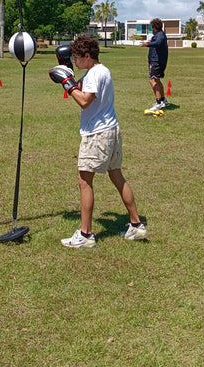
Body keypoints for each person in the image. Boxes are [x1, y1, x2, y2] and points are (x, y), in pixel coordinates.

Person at [49, 35, 148, 249]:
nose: (74, 61)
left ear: (87, 56)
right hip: (112, 130)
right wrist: (70, 75)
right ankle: (136, 224)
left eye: (77, 58)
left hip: (97, 134)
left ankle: (86, 235)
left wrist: (67, 84)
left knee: (85, 181)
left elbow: (84, 101)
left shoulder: (93, 74)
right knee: (117, 175)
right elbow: (82, 87)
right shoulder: (102, 70)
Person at [141, 18, 169, 111]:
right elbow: (156, 42)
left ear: (154, 27)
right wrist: (150, 42)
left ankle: (158, 102)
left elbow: (158, 43)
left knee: (152, 80)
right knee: (157, 80)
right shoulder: (158, 35)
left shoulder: (160, 35)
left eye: (151, 27)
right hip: (158, 61)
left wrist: (147, 45)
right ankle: (163, 100)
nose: (151, 29)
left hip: (156, 61)